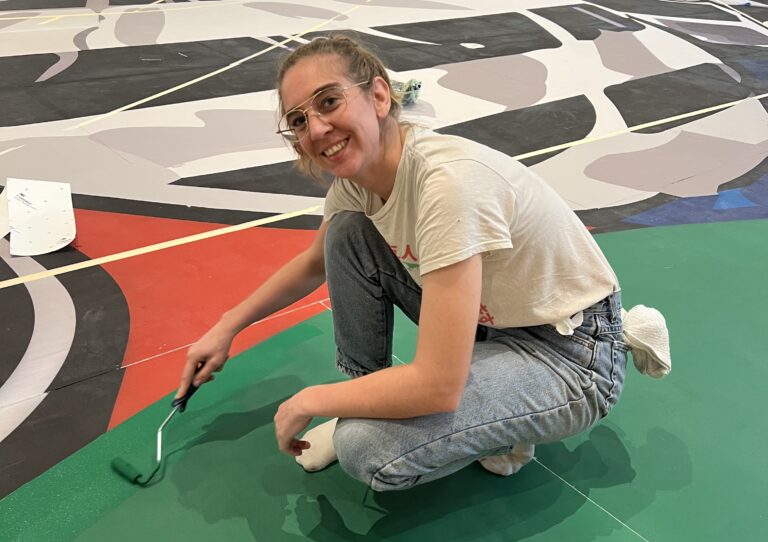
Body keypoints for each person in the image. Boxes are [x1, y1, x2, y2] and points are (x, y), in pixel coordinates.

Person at [177, 35, 670, 494]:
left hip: (571, 352)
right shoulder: (357, 181)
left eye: (328, 102)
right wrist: (227, 326)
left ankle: (503, 425)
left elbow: (438, 383)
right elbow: (314, 262)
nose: (317, 129)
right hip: (498, 320)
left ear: (378, 97)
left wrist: (312, 399)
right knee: (348, 235)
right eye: (299, 121)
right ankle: (379, 397)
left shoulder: (447, 184)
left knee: (366, 450)